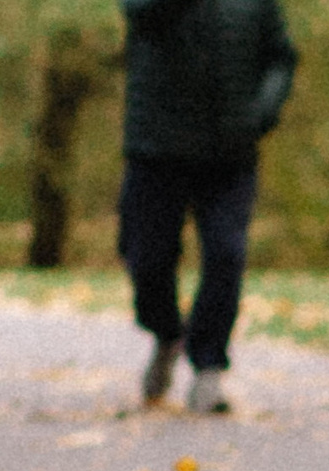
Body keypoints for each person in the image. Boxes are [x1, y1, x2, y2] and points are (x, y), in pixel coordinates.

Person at [118, 0, 296, 413]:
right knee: (147, 259)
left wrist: (263, 111)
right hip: (156, 146)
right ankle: (166, 333)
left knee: (226, 254)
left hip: (230, 151)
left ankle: (209, 366)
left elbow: (281, 57)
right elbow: (140, 14)